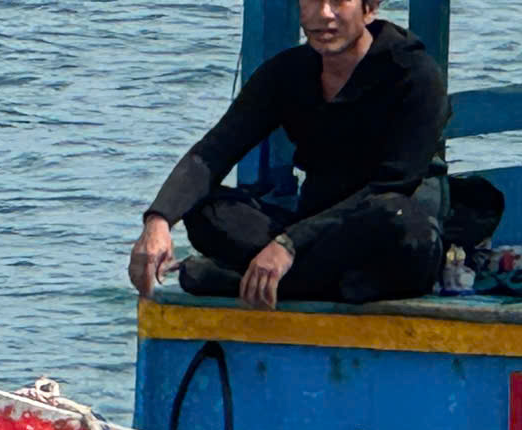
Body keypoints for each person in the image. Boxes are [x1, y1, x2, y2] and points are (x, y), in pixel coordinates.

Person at [129, 0, 447, 312]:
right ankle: (317, 285)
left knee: (397, 219)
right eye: (312, 0)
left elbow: (393, 184)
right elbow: (215, 151)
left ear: (370, 8)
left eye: (339, 1)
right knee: (204, 209)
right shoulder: (288, 72)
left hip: (385, 227)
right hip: (314, 232)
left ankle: (237, 282)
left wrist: (288, 245)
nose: (324, 14)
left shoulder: (414, 75)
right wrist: (158, 220)